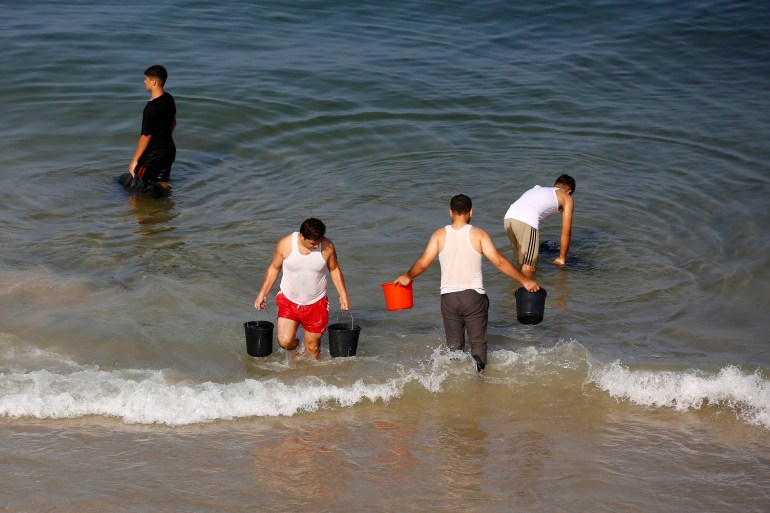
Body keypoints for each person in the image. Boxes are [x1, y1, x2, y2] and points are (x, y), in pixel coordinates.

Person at [393, 195, 539, 372]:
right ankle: (479, 384)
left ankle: (456, 383)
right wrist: (525, 280)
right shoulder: (478, 234)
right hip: (473, 297)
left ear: (450, 212)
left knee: (454, 347)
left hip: (449, 298)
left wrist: (408, 277)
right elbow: (499, 262)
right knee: (478, 344)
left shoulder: (439, 235)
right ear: (471, 212)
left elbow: (423, 263)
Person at [254, 218, 350, 359]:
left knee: (312, 349)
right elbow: (274, 268)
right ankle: (299, 347)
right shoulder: (285, 244)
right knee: (285, 342)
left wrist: (343, 295)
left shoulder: (327, 246)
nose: (315, 245)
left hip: (316, 303)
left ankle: (315, 376)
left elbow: (334, 269)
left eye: (318, 242)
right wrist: (262, 293)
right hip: (289, 300)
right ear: (301, 236)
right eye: (312, 243)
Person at [119, 65, 176, 195]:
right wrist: (163, 139)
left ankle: (139, 214)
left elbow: (146, 137)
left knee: (135, 189)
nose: (144, 81)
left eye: (146, 79)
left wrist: (134, 161)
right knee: (163, 182)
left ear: (154, 82)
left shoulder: (150, 108)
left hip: (153, 157)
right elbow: (173, 123)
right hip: (169, 152)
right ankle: (165, 207)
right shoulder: (169, 98)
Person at [503, 174, 575, 275]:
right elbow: (566, 232)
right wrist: (562, 258)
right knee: (529, 268)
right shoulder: (567, 197)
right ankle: (526, 289)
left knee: (521, 263)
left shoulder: (538, 188)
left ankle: (515, 289)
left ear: (554, 185)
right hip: (526, 220)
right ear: (569, 192)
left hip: (508, 218)